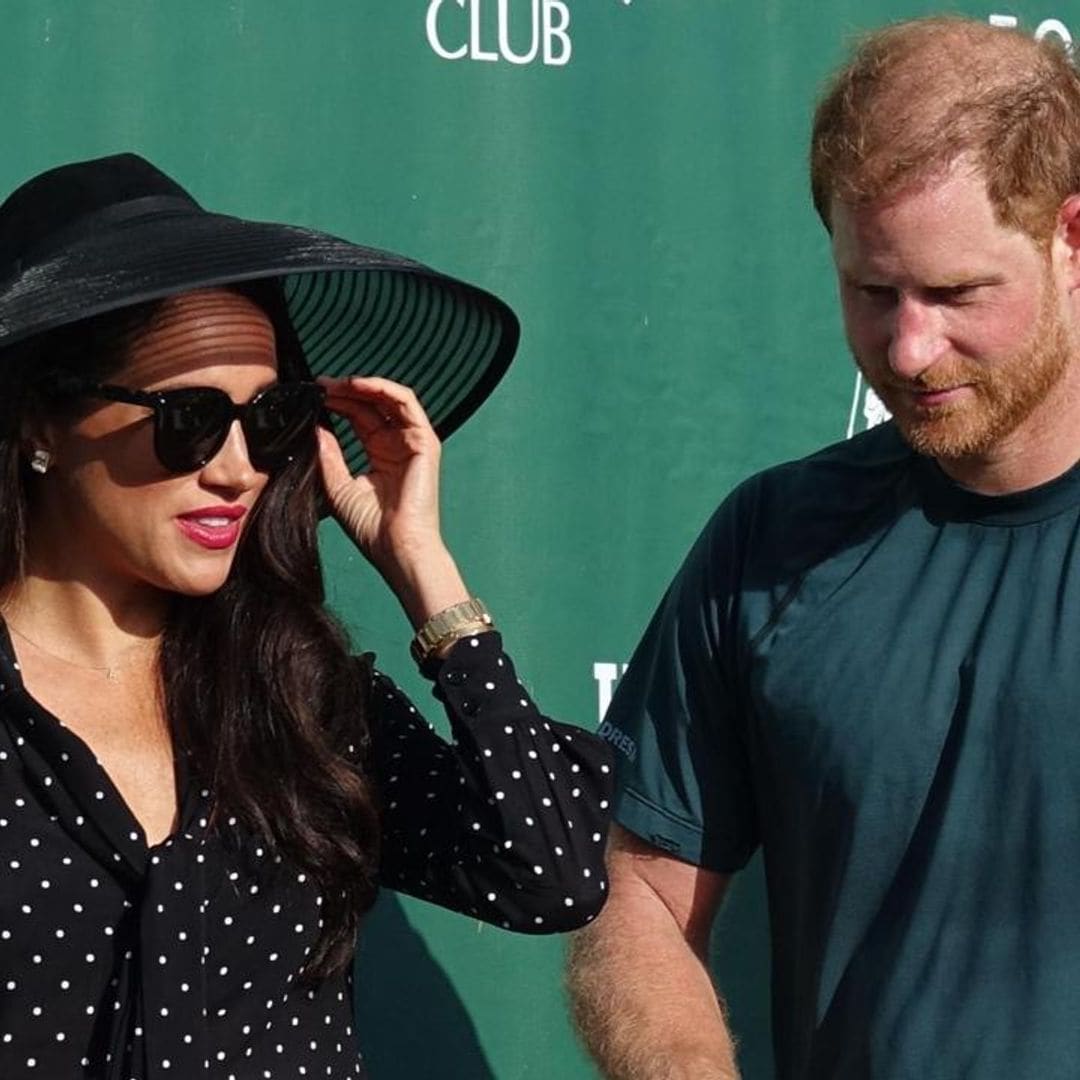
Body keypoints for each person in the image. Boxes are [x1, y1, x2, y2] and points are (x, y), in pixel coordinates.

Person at [0, 152, 612, 1079]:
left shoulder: (298, 697)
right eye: (190, 417)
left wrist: (425, 569)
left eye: (273, 417)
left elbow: (553, 872)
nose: (239, 468)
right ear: (42, 424)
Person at [566, 15, 1080, 1080]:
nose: (908, 347)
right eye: (870, 291)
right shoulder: (772, 541)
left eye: (954, 294)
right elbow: (643, 888)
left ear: (1072, 241)